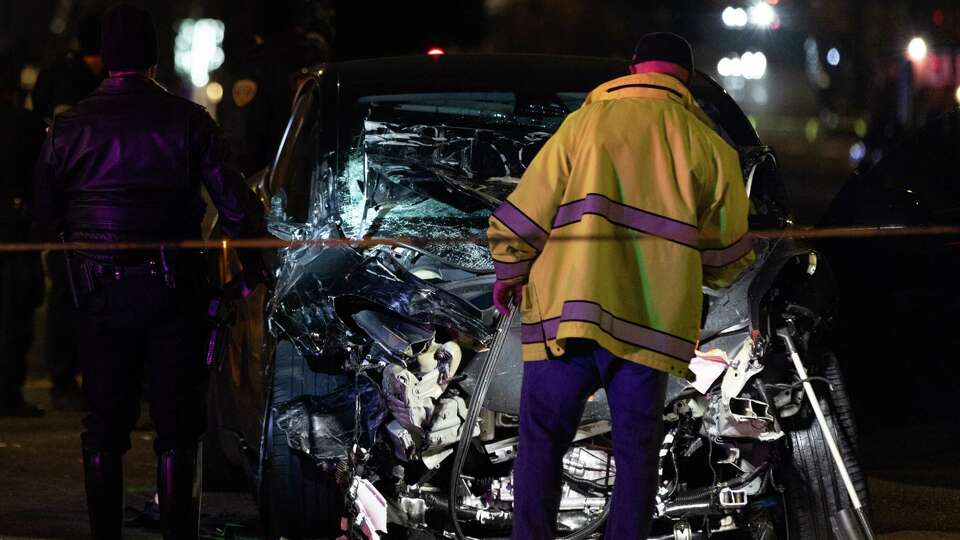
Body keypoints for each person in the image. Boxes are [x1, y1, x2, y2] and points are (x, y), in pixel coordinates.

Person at [487, 33, 754, 539]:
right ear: (686, 80)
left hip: (568, 313)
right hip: (650, 327)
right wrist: (702, 281)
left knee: (541, 440)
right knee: (636, 454)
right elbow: (726, 255)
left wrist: (510, 270)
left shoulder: (585, 123)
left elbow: (527, 211)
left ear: (634, 69)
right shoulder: (709, 145)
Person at [32, 5, 268, 539]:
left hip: (97, 293)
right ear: (154, 59)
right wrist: (251, 269)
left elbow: (44, 217)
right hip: (173, 294)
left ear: (105, 61)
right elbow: (235, 207)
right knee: (177, 429)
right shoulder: (188, 121)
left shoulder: (67, 128)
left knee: (103, 428)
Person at [33, 11, 106, 411]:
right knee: (69, 290)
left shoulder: (61, 78)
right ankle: (66, 374)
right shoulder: (77, 83)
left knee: (71, 290)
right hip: (77, 200)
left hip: (72, 199)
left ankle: (68, 373)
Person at [0, 54, 46, 417]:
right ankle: (9, 390)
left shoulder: (26, 124)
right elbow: (43, 178)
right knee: (16, 312)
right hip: (16, 225)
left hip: (17, 223)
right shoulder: (27, 125)